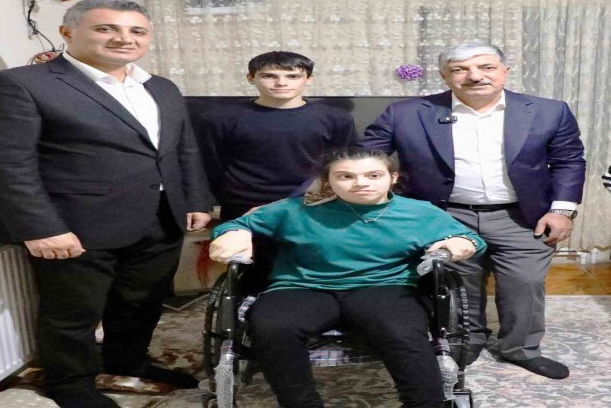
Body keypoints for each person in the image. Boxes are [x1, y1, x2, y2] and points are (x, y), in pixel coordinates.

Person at [0, 0, 212, 408]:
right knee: (73, 315)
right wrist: (40, 227)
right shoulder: (17, 84)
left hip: (159, 218)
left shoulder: (160, 86)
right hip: (73, 225)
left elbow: (182, 148)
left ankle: (127, 363)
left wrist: (196, 198)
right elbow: (3, 164)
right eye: (106, 28)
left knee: (141, 302)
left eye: (137, 31)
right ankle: (72, 385)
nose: (124, 38)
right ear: (68, 32)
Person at [361, 42, 586, 380]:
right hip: (445, 216)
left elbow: (569, 161)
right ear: (444, 76)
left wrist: (562, 211)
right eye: (460, 69)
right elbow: (363, 159)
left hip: (523, 217)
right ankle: (465, 343)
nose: (475, 76)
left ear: (505, 72)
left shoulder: (548, 111)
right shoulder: (405, 113)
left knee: (524, 284)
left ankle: (520, 349)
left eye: (486, 67)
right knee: (457, 285)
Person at [209, 148, 486, 408]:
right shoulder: (293, 209)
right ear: (328, 181)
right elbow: (236, 224)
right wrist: (236, 233)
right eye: (345, 176)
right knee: (273, 327)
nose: (360, 183)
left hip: (385, 285)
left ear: (392, 178)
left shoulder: (419, 212)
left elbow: (472, 239)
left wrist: (459, 243)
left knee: (401, 332)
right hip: (302, 285)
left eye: (373, 175)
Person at [196, 51, 359, 222]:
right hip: (243, 206)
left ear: (308, 79)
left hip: (313, 203)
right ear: (251, 78)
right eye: (269, 76)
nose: (281, 83)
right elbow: (207, 165)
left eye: (293, 76)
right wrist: (203, 205)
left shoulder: (336, 119)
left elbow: (344, 164)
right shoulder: (219, 118)